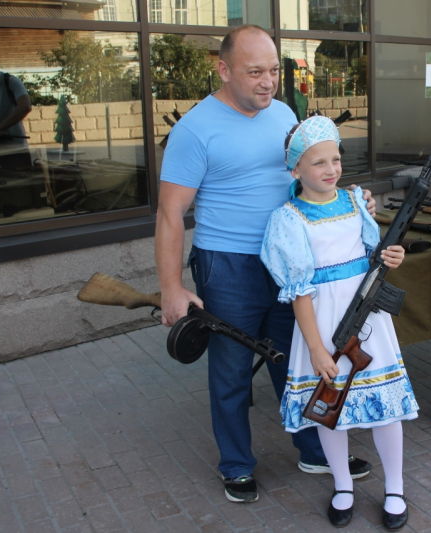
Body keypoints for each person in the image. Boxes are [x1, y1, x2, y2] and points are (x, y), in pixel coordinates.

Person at [155, 24, 373, 505]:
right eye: (255, 72)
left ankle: (315, 450)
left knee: (300, 360)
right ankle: (236, 465)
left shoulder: (284, 115)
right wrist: (171, 286)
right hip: (228, 266)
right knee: (232, 370)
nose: (268, 81)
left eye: (273, 70)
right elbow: (170, 213)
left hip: (291, 261)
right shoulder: (194, 129)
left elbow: (305, 179)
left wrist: (350, 204)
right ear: (223, 69)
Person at [261, 115, 418, 530]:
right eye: (319, 163)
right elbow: (299, 291)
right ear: (296, 170)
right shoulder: (288, 219)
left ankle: (395, 487)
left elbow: (374, 255)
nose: (331, 169)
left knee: (386, 409)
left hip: (368, 317)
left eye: (335, 159)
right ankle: (343, 484)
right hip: (322, 323)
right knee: (328, 406)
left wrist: (393, 257)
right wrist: (315, 348)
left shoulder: (355, 201)